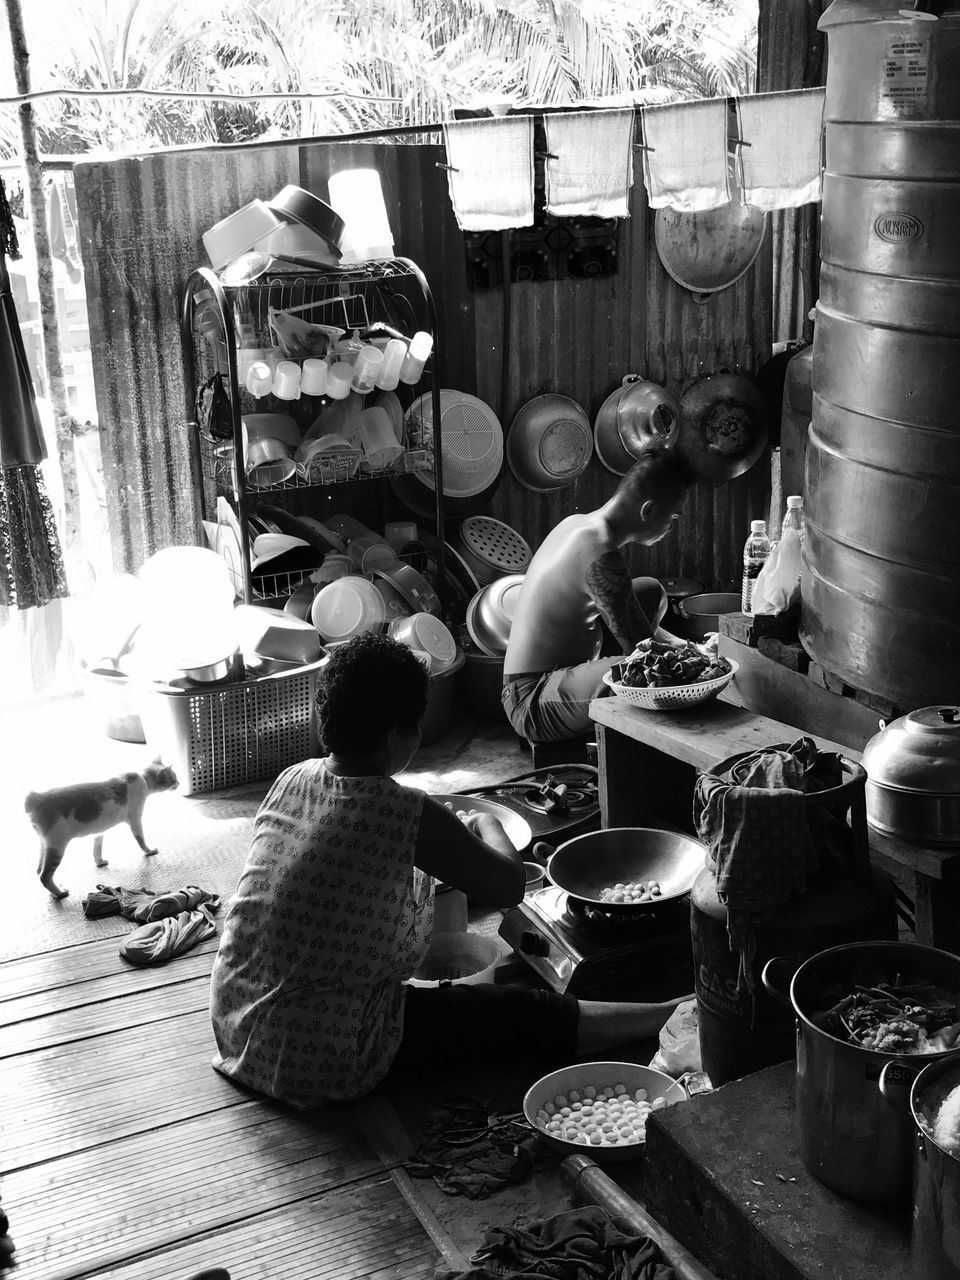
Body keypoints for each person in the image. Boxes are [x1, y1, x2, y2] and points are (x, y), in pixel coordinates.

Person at [209, 631, 687, 1109]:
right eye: (416, 726)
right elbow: (507, 886)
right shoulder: (399, 809)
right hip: (316, 1058)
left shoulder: (293, 778)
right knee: (510, 1013)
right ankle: (667, 1015)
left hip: (238, 1022)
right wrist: (483, 820)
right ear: (398, 734)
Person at [502, 448, 693, 744]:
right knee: (648, 674)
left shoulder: (580, 524)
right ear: (649, 511)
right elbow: (645, 654)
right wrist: (701, 662)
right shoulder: (599, 551)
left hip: (565, 673)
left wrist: (688, 646)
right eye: (673, 517)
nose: (670, 528)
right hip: (532, 699)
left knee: (651, 591)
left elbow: (639, 626)